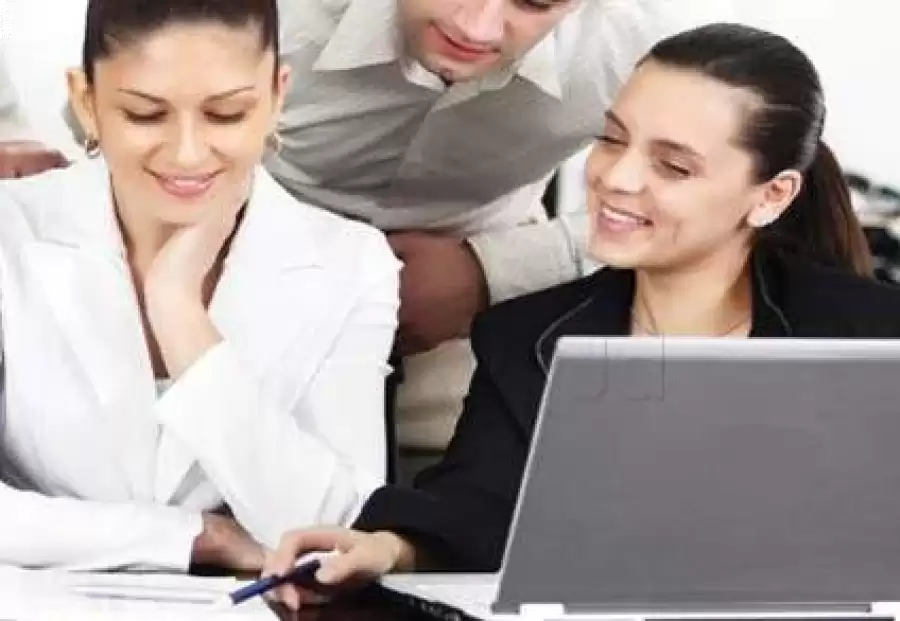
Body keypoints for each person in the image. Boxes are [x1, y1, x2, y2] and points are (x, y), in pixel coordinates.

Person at [262, 22, 900, 610]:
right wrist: (386, 548)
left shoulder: (870, 334)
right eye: (611, 139)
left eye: (673, 166)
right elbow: (472, 513)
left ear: (772, 195)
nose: (617, 178)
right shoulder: (527, 338)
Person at [0, 0, 734, 470]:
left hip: (470, 301)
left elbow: (744, 194)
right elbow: (120, 92)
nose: (479, 28)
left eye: (534, 0)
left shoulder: (643, 42)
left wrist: (494, 269)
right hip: (219, 259)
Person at [0, 0, 399, 572]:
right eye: (144, 115)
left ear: (277, 95)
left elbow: (335, 528)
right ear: (86, 100)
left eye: (226, 114)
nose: (187, 153)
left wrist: (179, 312)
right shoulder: (10, 230)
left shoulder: (353, 263)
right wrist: (194, 538)